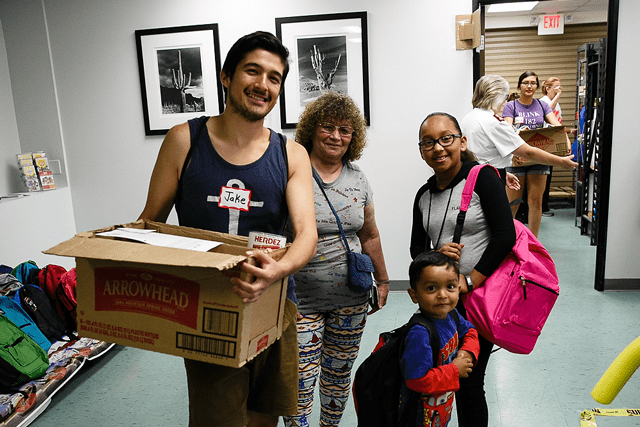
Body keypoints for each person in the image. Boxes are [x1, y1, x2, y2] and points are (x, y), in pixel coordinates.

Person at [138, 31, 318, 427]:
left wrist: (279, 270)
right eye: (252, 71)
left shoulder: (291, 154)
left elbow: (307, 234)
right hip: (207, 309)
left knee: (265, 415)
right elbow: (150, 223)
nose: (263, 85)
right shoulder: (184, 141)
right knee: (217, 419)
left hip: (273, 301)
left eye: (274, 77)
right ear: (226, 77)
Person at [283, 91, 390, 427]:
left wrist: (383, 280)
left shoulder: (358, 179)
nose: (336, 136)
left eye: (345, 130)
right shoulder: (291, 173)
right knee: (297, 381)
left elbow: (369, 235)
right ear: (312, 130)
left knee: (337, 378)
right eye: (328, 127)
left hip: (351, 300)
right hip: (299, 301)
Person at [410, 112, 516, 426]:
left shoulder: (483, 178)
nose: (438, 148)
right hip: (442, 304)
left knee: (469, 382)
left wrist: (470, 280)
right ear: (421, 150)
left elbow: (505, 235)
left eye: (446, 139)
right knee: (443, 376)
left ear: (462, 142)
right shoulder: (424, 196)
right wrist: (435, 255)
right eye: (428, 142)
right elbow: (416, 250)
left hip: (479, 302)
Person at [401, 250, 480, 427]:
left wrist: (467, 352)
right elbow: (416, 380)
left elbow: (470, 331)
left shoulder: (452, 315)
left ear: (459, 289)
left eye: (450, 287)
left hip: (440, 409)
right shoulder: (420, 334)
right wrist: (455, 370)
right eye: (431, 288)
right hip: (420, 417)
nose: (443, 295)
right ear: (414, 295)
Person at [501, 71, 574, 237]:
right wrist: (512, 153)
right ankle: (508, 239)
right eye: (525, 82)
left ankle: (533, 241)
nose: (529, 86)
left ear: (537, 86)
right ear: (519, 85)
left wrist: (566, 140)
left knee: (535, 201)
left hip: (538, 159)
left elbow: (557, 126)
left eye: (533, 83)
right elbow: (507, 131)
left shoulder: (542, 106)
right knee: (513, 202)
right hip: (518, 159)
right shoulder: (511, 106)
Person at [540, 77, 563, 217]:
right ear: (548, 88)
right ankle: (542, 207)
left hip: (553, 141)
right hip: (545, 142)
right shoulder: (543, 101)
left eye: (560, 86)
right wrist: (558, 95)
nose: (559, 89)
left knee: (548, 175)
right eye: (556, 86)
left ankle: (544, 206)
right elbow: (548, 111)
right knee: (544, 175)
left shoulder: (556, 102)